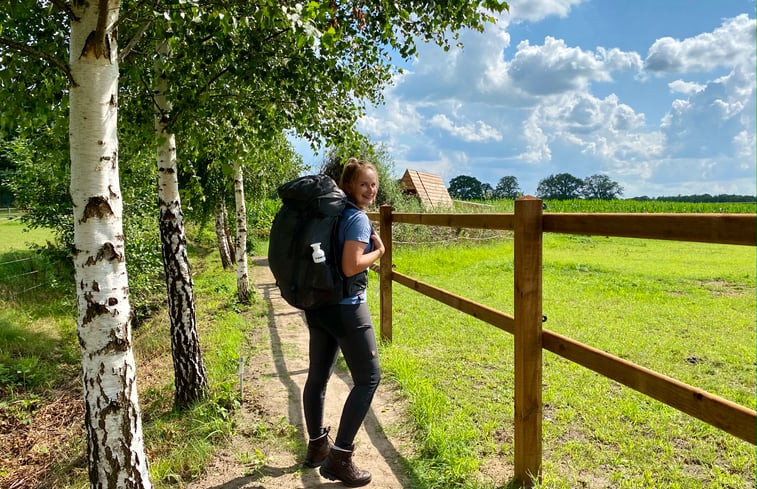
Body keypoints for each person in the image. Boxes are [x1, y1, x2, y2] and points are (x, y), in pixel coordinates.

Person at [302, 158, 385, 487]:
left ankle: (317, 446)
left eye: (374, 184)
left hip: (319, 306)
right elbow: (351, 267)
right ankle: (341, 457)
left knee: (317, 377)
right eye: (364, 184)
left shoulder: (330, 216)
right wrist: (378, 253)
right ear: (348, 186)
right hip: (347, 308)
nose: (371, 190)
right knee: (368, 378)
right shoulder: (357, 219)